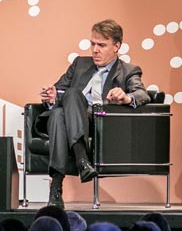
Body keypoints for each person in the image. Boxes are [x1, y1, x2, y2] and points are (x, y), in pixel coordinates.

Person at [40, 19, 149, 205]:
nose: (95, 50)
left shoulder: (128, 71)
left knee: (67, 104)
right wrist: (51, 97)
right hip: (70, 119)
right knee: (60, 111)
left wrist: (125, 97)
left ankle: (56, 186)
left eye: (101, 45)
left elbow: (142, 94)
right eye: (92, 44)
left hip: (98, 123)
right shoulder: (80, 64)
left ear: (116, 46)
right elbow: (59, 91)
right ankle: (80, 162)